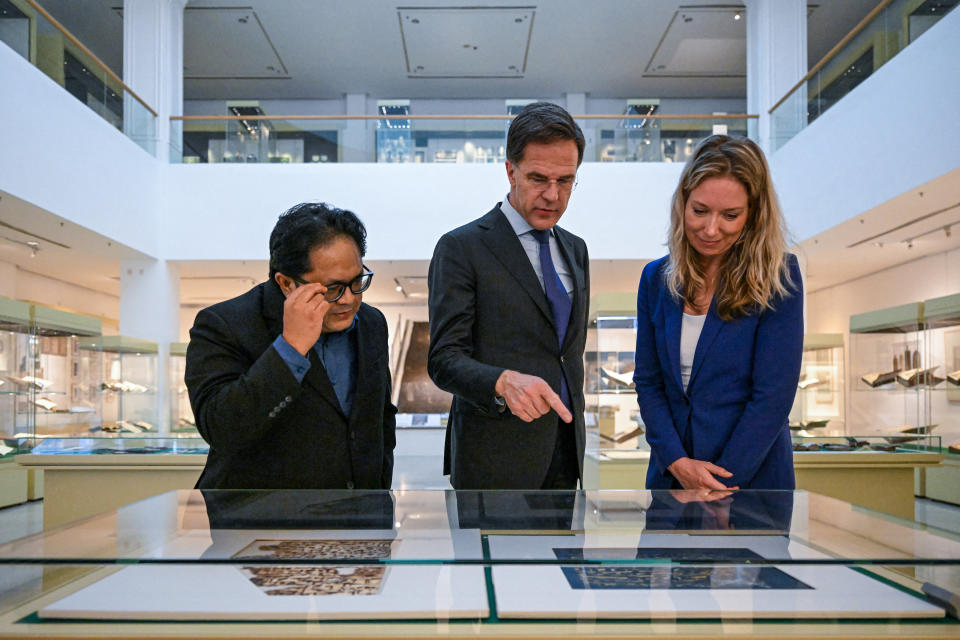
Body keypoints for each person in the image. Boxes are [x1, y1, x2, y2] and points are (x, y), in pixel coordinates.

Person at [428, 102, 590, 490]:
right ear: (509, 171)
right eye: (538, 178)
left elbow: (565, 351)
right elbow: (444, 359)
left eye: (565, 181)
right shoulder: (461, 247)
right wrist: (501, 381)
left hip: (567, 453)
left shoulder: (576, 248)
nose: (553, 195)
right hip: (493, 458)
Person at [185, 202, 396, 490]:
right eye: (332, 288)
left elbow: (380, 417)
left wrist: (379, 492)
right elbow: (222, 429)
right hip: (259, 520)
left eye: (357, 280)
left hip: (357, 514)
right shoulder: (223, 324)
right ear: (286, 283)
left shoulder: (371, 322)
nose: (348, 299)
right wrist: (291, 347)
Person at [634, 134, 803, 491]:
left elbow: (772, 397)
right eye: (699, 211)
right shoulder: (655, 279)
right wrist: (678, 462)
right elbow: (649, 383)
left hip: (749, 481)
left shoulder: (779, 276)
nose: (711, 230)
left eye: (730, 215)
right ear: (682, 204)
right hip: (672, 476)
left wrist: (720, 482)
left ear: (753, 215)